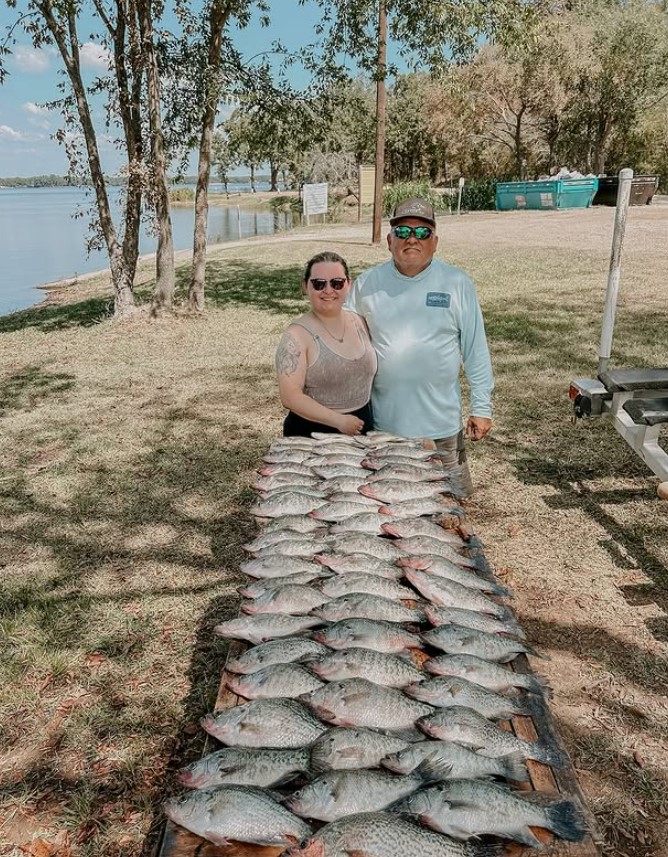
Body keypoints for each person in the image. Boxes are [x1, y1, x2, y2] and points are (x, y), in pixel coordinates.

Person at [346, 197, 494, 496]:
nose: (412, 238)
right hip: (386, 428)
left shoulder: (457, 283)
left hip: (441, 426)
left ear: (435, 241)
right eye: (402, 232)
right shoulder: (365, 285)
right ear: (389, 240)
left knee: (454, 506)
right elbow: (347, 349)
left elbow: (475, 350)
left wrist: (482, 407)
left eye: (422, 232)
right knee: (391, 511)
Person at [275, 251, 378, 437]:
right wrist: (339, 421)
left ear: (348, 284)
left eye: (337, 283)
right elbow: (290, 396)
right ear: (305, 286)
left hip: (362, 431)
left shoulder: (361, 323)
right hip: (311, 435)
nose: (328, 290)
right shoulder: (296, 336)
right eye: (319, 284)